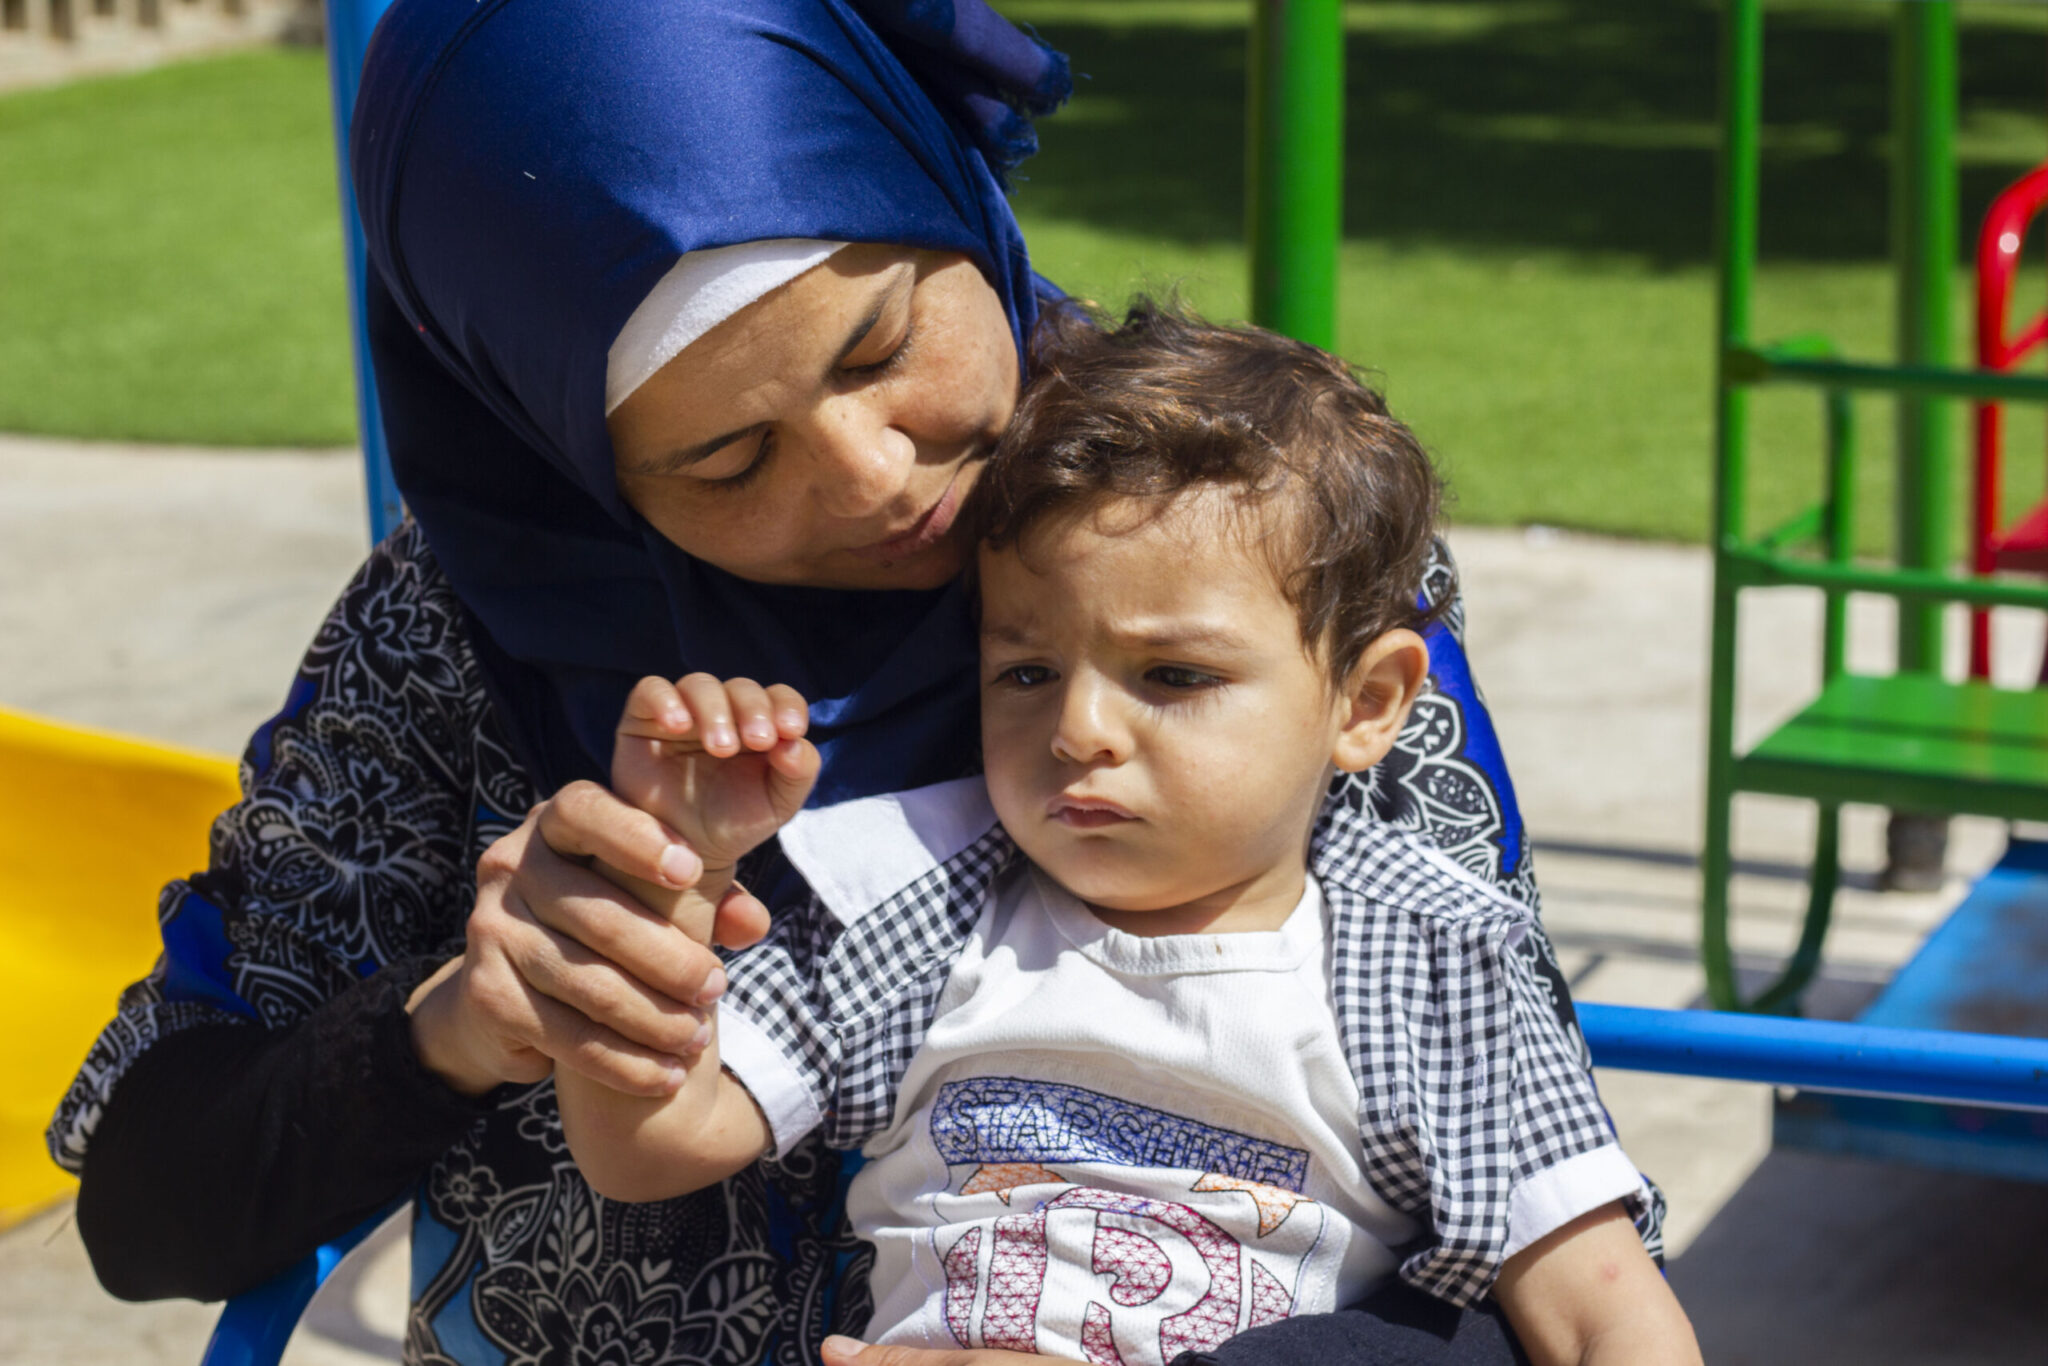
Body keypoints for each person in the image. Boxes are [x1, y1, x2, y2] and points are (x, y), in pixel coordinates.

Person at [47, 2, 1655, 1362]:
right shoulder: (462, 623)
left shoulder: (1232, 527)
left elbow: (1503, 1166)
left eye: (883, 345)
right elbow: (152, 1205)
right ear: (569, 460)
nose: (877, 477)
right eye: (728, 459)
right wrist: (472, 1019)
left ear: (934, 178)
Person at [557, 306, 1697, 1366]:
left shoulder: (1432, 959)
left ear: (1363, 704)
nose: (1076, 729)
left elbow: (1600, 1306)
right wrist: (679, 878)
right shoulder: (922, 901)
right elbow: (648, 1147)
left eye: (1171, 675)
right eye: (1025, 669)